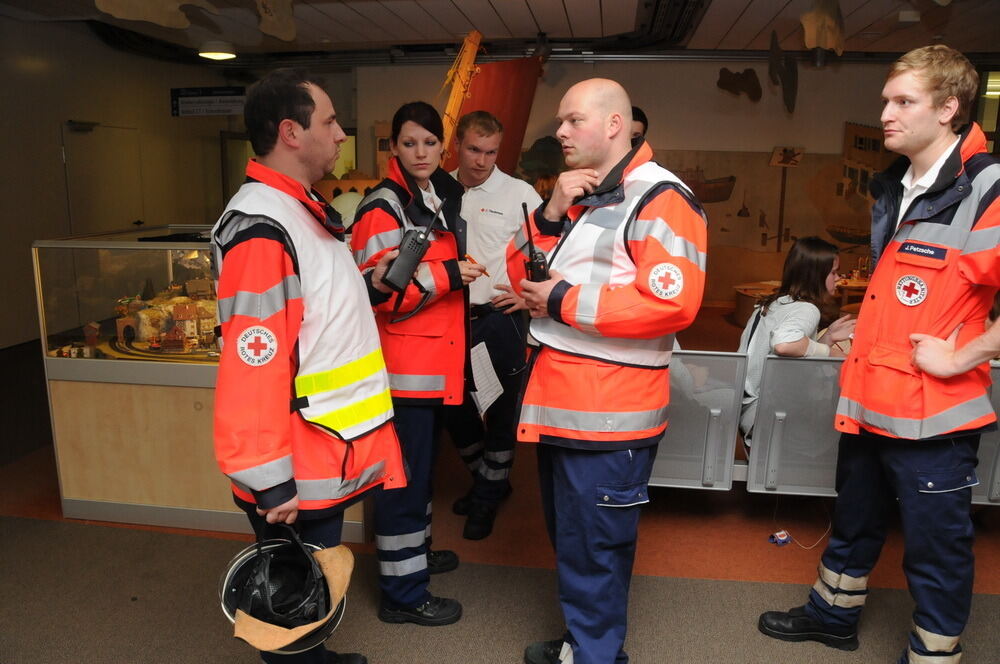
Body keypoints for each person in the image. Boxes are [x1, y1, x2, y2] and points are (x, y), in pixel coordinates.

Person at [758, 45, 1000, 663]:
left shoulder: (987, 185)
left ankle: (933, 655)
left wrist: (964, 354)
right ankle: (832, 615)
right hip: (870, 401)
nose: (885, 114)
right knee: (856, 520)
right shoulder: (897, 185)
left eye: (903, 102)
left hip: (933, 414)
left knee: (936, 548)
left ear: (949, 108)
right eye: (885, 100)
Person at [507, 79, 708, 664]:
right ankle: (583, 646)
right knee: (575, 545)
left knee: (596, 550)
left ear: (614, 125)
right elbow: (518, 274)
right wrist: (549, 209)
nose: (560, 133)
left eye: (572, 121)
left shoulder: (660, 197)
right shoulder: (586, 195)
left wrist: (562, 300)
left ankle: (595, 656)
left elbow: (672, 303)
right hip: (567, 406)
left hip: (609, 416)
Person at [211, 68, 407, 664]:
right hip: (297, 459)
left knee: (310, 580)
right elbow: (253, 364)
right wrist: (269, 479)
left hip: (325, 443)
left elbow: (314, 321)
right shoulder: (263, 229)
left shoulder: (300, 212)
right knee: (290, 588)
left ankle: (314, 658)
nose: (342, 135)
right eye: (330, 122)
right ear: (291, 132)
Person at [350, 101, 485, 627]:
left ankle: (415, 559)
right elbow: (385, 296)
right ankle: (403, 595)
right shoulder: (384, 208)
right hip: (403, 372)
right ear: (393, 148)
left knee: (421, 475)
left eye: (429, 142)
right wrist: (451, 274)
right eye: (409, 143)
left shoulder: (428, 196)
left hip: (429, 367)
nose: (421, 152)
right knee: (403, 483)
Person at [443, 110, 543, 540]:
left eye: (490, 152)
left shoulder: (519, 194)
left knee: (501, 413)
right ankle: (492, 480)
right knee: (456, 409)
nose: (482, 160)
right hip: (446, 319)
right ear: (457, 147)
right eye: (473, 150)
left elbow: (549, 256)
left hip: (498, 318)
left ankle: (485, 499)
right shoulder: (436, 190)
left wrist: (526, 295)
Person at [738, 236, 855, 445]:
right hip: (770, 419)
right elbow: (784, 344)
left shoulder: (771, 304)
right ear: (817, 275)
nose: (839, 278)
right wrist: (831, 352)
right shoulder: (807, 309)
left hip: (748, 412)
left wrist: (826, 339)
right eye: (834, 272)